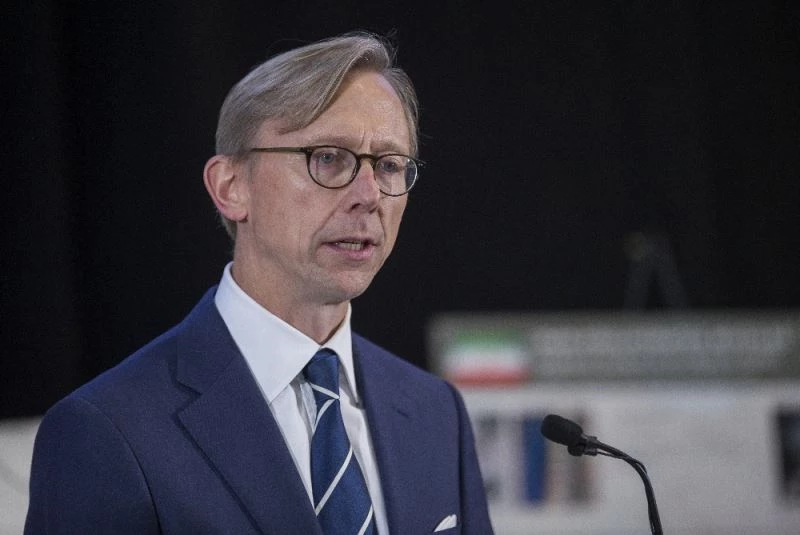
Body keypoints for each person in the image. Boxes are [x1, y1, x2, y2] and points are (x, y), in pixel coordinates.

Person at [25, 32, 493, 534]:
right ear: (231, 187)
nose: (369, 195)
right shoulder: (105, 431)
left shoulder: (436, 413)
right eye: (328, 157)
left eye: (389, 165)